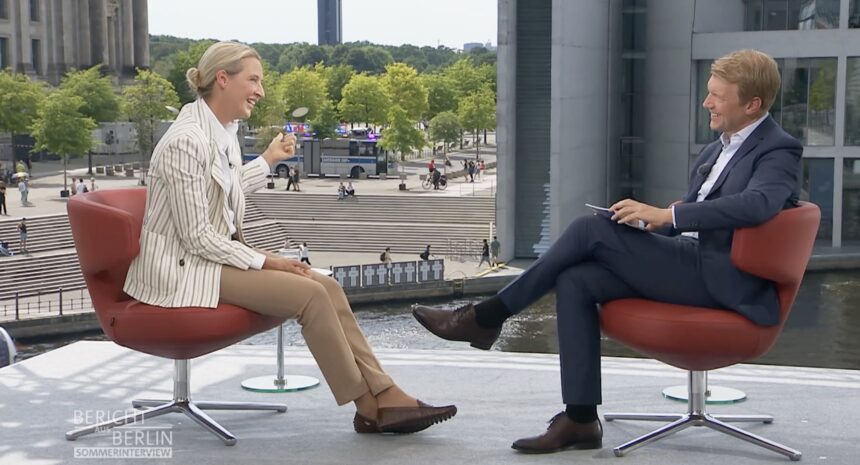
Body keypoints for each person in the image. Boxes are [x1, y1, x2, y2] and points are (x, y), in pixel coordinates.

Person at [412, 49, 800, 453]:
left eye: (718, 96)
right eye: (709, 93)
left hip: (724, 279)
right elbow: (696, 219)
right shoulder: (716, 148)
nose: (707, 103)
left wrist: (668, 214)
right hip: (690, 261)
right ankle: (580, 419)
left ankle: (487, 316)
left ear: (752, 104)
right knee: (576, 279)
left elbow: (758, 204)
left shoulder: (778, 149)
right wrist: (652, 223)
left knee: (589, 230)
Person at [121, 42, 456, 434]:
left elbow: (223, 191)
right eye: (254, 80)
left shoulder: (219, 132)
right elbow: (197, 238)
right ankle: (369, 405)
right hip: (183, 269)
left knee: (326, 285)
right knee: (310, 295)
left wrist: (268, 159)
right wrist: (269, 261)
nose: (261, 91)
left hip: (206, 258)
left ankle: (384, 394)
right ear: (223, 79)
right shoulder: (186, 141)